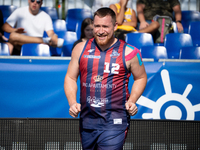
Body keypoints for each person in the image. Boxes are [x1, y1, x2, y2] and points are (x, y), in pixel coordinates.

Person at [64, 7, 147, 150]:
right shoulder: (80, 49)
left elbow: (141, 77)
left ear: (115, 26)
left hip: (115, 121)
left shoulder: (130, 52)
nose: (100, 31)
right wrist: (72, 102)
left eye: (105, 26)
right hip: (87, 121)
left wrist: (132, 100)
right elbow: (70, 78)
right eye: (97, 26)